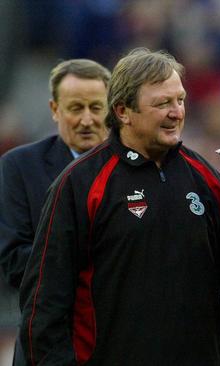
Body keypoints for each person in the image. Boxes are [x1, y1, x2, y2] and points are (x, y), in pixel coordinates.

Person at [18, 48, 220, 365]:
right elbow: (44, 302)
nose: (176, 112)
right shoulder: (80, 185)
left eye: (179, 100)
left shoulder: (206, 178)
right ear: (123, 111)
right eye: (162, 103)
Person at [0, 58, 111, 365]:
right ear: (54, 110)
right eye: (76, 108)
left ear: (114, 110)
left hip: (117, 342)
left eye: (96, 107)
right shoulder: (20, 167)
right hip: (48, 345)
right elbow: (13, 262)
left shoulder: (136, 168)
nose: (87, 119)